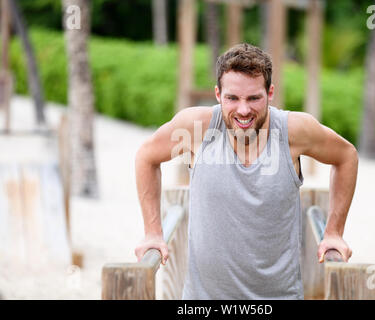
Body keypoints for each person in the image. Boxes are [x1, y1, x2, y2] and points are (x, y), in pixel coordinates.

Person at [134, 43, 357, 299]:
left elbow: (346, 156)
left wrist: (334, 232)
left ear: (270, 93)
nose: (243, 110)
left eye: (254, 98)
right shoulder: (197, 126)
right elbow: (146, 157)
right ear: (218, 94)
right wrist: (152, 232)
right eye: (232, 98)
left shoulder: (293, 130)